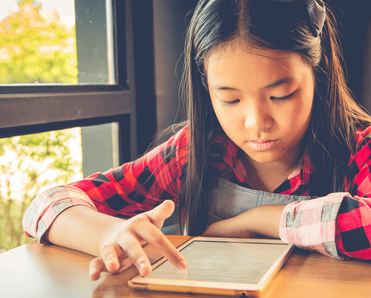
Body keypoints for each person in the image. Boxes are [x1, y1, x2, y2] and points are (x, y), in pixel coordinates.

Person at [23, 0, 371, 281]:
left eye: (281, 95)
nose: (256, 123)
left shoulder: (360, 149)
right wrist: (106, 235)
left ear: (318, 70)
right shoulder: (197, 151)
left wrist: (255, 221)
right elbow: (46, 207)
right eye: (230, 100)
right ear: (207, 89)